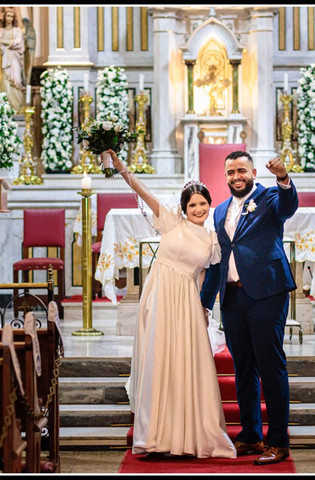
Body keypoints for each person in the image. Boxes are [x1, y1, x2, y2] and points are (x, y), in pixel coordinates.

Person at [105, 149, 236, 458]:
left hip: (188, 301)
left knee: (187, 363)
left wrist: (206, 308)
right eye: (193, 204)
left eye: (203, 203)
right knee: (159, 360)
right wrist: (121, 166)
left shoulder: (212, 240)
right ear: (184, 207)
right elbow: (141, 189)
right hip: (160, 295)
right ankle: (155, 436)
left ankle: (189, 434)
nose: (199, 209)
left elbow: (210, 277)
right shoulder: (171, 222)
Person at [200, 151, 298, 466]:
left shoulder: (269, 198)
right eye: (230, 172)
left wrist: (283, 178)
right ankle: (251, 435)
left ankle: (279, 442)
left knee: (270, 366)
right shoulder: (219, 212)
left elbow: (288, 206)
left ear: (253, 172)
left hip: (267, 294)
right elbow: (217, 263)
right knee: (243, 369)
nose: (236, 177)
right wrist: (203, 303)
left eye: (241, 170)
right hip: (232, 298)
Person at [0, 8, 26, 112]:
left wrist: (3, 42)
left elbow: (18, 43)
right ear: (4, 17)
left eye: (11, 16)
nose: (9, 18)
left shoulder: (17, 31)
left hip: (14, 60)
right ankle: (7, 107)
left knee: (16, 80)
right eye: (8, 16)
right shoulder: (1, 31)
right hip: (5, 60)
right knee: (6, 82)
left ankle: (17, 107)